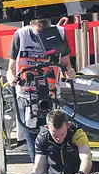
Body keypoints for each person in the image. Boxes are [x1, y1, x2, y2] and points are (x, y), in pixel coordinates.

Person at [6, 18, 76, 161]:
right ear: (31, 22)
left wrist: (69, 72)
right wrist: (11, 78)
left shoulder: (59, 33)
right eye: (38, 22)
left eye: (44, 22)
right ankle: (37, 170)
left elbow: (66, 65)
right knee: (33, 142)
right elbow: (10, 69)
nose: (41, 25)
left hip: (51, 95)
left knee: (54, 139)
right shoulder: (20, 35)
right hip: (27, 96)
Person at [26, 109, 92, 174]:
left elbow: (86, 159)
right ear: (47, 127)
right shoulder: (42, 137)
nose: (59, 139)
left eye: (62, 134)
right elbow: (38, 168)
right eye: (54, 135)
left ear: (68, 125)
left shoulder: (77, 133)